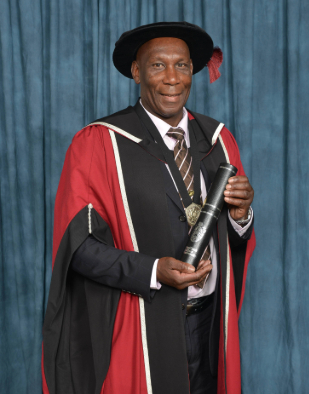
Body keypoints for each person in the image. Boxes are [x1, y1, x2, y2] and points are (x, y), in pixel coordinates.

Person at [42, 22, 256, 394]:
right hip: (140, 326)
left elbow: (232, 242)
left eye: (183, 65)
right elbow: (77, 249)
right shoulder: (99, 143)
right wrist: (153, 270)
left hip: (209, 326)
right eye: (158, 66)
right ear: (137, 71)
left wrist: (240, 216)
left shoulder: (218, 140)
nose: (173, 78)